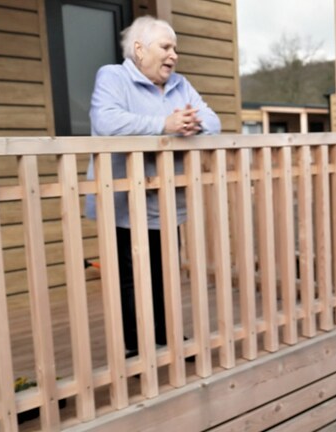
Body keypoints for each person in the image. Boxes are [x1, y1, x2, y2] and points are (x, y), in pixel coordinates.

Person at [85, 16, 221, 358]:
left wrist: (192, 122)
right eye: (166, 47)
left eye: (175, 48)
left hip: (166, 200)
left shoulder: (180, 84)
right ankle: (136, 344)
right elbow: (106, 122)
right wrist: (165, 123)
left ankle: (166, 336)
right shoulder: (113, 76)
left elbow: (213, 122)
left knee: (165, 272)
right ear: (139, 49)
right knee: (129, 276)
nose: (174, 55)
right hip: (122, 200)